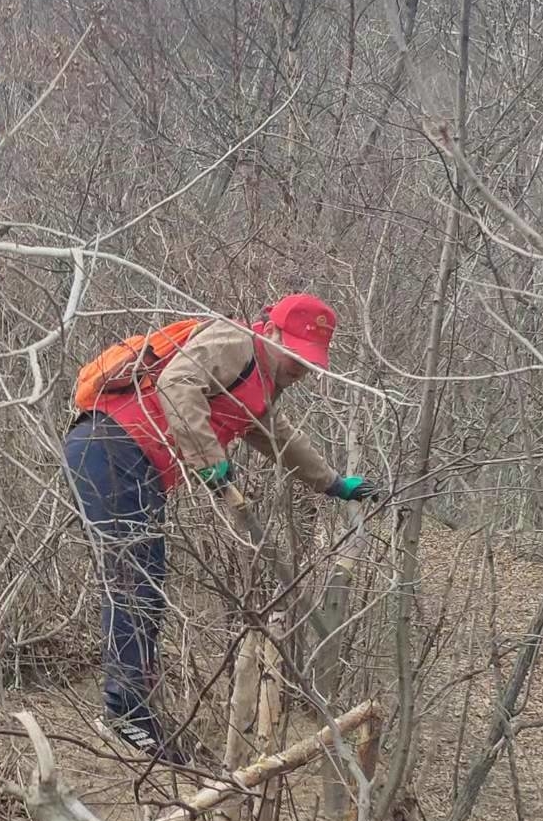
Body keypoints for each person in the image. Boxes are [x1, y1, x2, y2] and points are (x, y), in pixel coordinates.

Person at [62, 293, 379, 765]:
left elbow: (278, 437)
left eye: (309, 360)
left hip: (133, 463)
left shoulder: (260, 385)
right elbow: (177, 383)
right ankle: (127, 715)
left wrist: (333, 483)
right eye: (294, 353)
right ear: (269, 331)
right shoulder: (236, 341)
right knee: (134, 584)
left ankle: (137, 712)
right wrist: (212, 462)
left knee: (145, 583)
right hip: (110, 448)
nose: (301, 367)